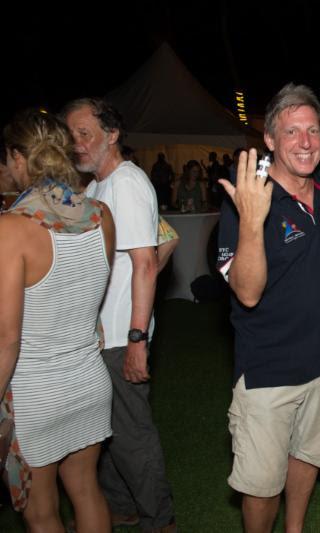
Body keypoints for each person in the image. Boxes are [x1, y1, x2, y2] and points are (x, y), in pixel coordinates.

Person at [216, 83, 320, 533]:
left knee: (308, 457)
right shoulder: (246, 199)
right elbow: (246, 292)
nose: (305, 142)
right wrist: (251, 219)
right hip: (269, 371)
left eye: (313, 131)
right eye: (292, 131)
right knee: (262, 485)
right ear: (270, 140)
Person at [63, 98, 177, 533]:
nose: (77, 144)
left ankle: (159, 520)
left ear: (112, 135)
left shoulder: (127, 183)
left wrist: (136, 338)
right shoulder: (94, 188)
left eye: (85, 133)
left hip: (118, 334)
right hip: (97, 335)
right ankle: (121, 506)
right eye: (70, 135)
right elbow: (167, 240)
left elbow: (147, 261)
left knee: (131, 433)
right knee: (106, 430)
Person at [0, 109, 116, 532]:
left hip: (37, 396)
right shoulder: (102, 216)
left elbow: (7, 340)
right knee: (86, 490)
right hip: (88, 381)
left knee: (42, 511)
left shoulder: (11, 229)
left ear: (17, 158)